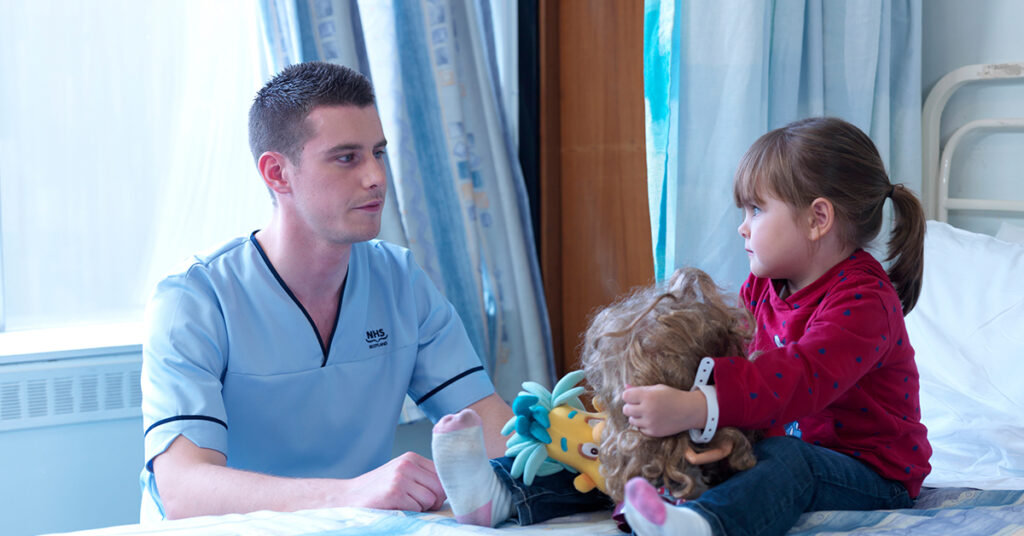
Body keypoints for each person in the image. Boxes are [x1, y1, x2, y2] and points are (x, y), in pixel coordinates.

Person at [139, 61, 512, 521]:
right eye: (347, 157)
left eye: (379, 153)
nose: (376, 176)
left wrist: (600, 450)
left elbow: (493, 429)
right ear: (277, 173)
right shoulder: (193, 299)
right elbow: (184, 490)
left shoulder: (400, 279)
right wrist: (351, 492)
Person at [619, 116, 932, 536]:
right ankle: (520, 490)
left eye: (757, 209)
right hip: (779, 445)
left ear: (817, 218)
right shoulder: (764, 285)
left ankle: (706, 526)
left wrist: (698, 406)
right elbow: (736, 356)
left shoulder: (866, 303)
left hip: (872, 474)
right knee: (667, 447)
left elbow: (800, 377)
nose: (742, 226)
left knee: (789, 459)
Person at [431, 267, 760, 528]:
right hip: (619, 480)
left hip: (676, 486)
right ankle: (495, 494)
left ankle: (683, 523)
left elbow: (724, 452)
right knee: (567, 467)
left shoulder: (709, 423)